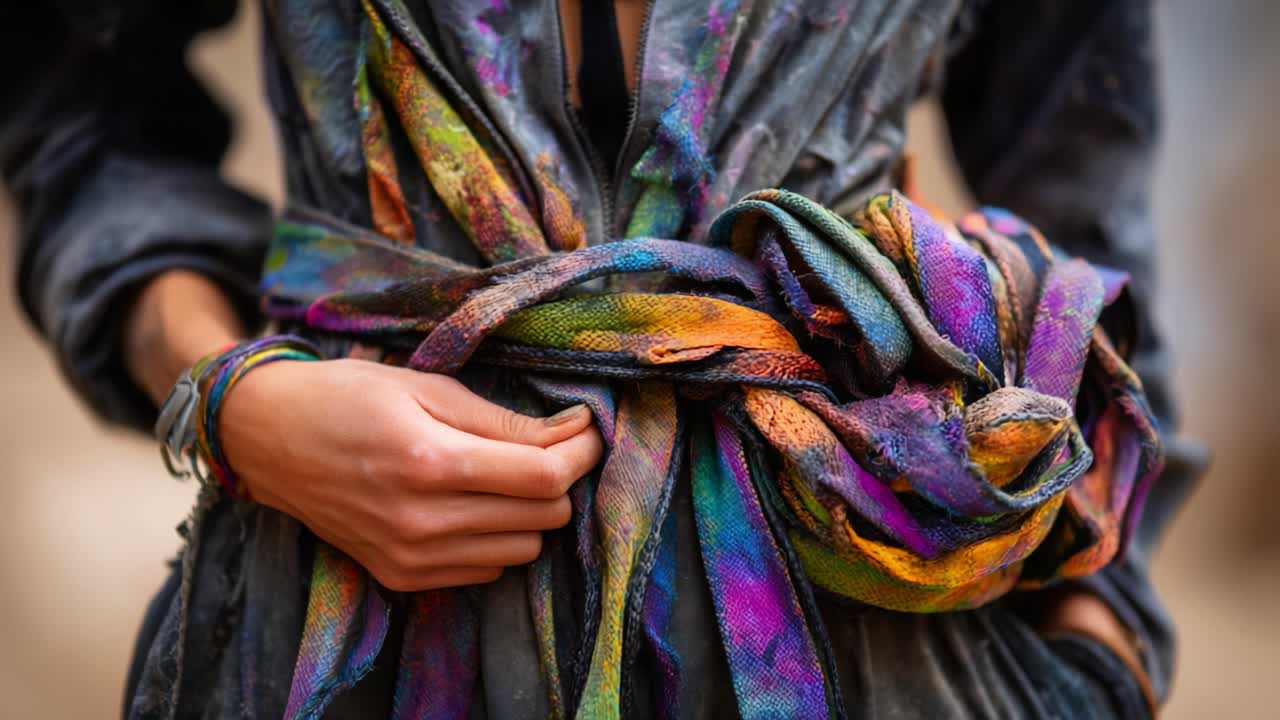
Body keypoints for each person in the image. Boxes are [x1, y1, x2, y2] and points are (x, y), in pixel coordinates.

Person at [1, 0, 1203, 717]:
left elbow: (1087, 238)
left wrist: (1095, 655)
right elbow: (85, 110)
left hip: (893, 658)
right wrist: (235, 401)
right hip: (330, 658)